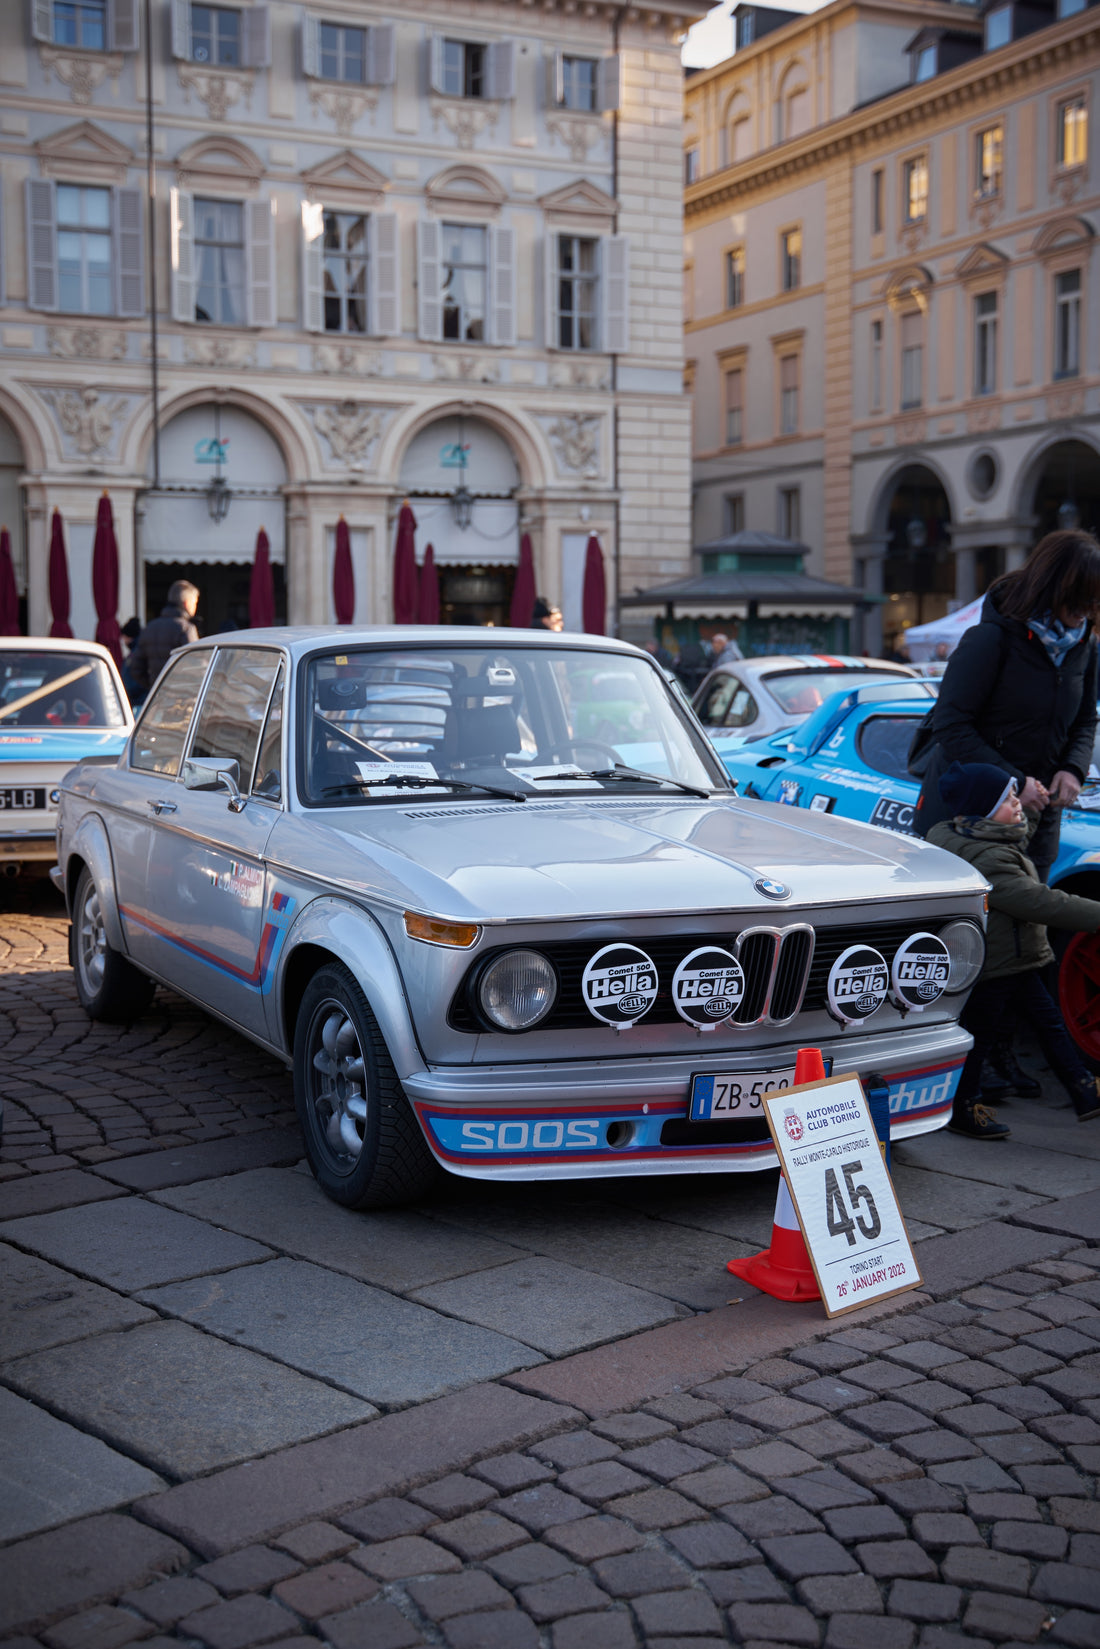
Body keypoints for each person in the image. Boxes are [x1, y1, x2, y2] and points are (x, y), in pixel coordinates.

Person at [915, 530, 1100, 883]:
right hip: (971, 820)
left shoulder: (1085, 646)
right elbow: (951, 725)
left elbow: (1085, 719)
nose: (1087, 612)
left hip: (1038, 819)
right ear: (1053, 586)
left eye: (1095, 601)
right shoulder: (989, 639)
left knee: (1028, 913)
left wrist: (1073, 769)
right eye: (1081, 599)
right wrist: (1013, 782)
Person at [928, 761, 1100, 1138]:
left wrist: (1035, 809)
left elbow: (1014, 837)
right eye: (1008, 799)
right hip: (995, 964)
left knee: (1049, 1023)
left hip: (1015, 959)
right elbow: (1041, 902)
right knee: (980, 1036)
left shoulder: (976, 836)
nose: (1018, 803)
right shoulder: (989, 860)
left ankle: (1084, 1090)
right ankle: (963, 1107)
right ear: (984, 812)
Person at [128, 580, 200, 696]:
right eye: (195, 603)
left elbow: (136, 669)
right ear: (186, 603)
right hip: (181, 696)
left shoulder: (150, 628)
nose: (195, 607)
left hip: (158, 698)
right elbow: (197, 666)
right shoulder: (186, 628)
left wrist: (155, 686)